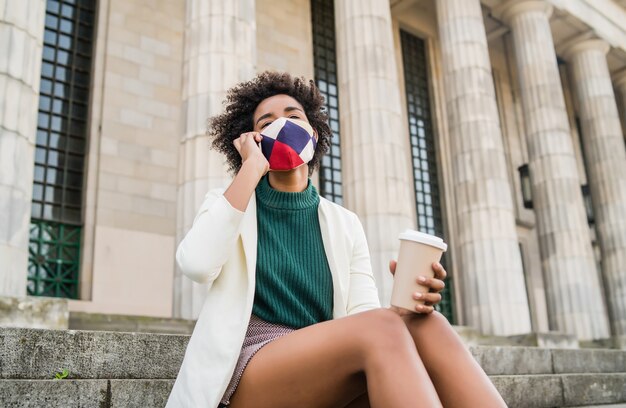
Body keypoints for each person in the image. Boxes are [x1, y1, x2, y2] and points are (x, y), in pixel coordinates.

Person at [165, 71, 507, 408]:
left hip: (326, 370)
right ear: (251, 139)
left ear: (313, 135)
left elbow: (363, 317)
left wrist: (405, 308)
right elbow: (196, 265)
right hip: (250, 370)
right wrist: (251, 170)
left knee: (428, 324)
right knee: (384, 328)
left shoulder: (344, 223)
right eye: (266, 122)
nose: (281, 125)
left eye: (293, 116)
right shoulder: (229, 202)